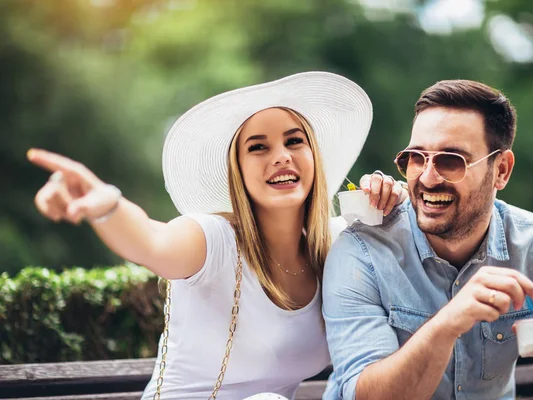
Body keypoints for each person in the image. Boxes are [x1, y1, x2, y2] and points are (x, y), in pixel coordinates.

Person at [27, 71, 406, 400]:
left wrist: (397, 198)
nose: (281, 156)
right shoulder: (213, 240)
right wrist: (107, 206)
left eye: (294, 141)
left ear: (313, 157)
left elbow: (412, 247)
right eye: (258, 147)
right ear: (237, 170)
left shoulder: (337, 247)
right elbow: (150, 241)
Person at [322, 79, 533, 400]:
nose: (427, 178)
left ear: (502, 171)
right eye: (416, 158)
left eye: (451, 160)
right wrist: (450, 321)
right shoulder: (362, 250)